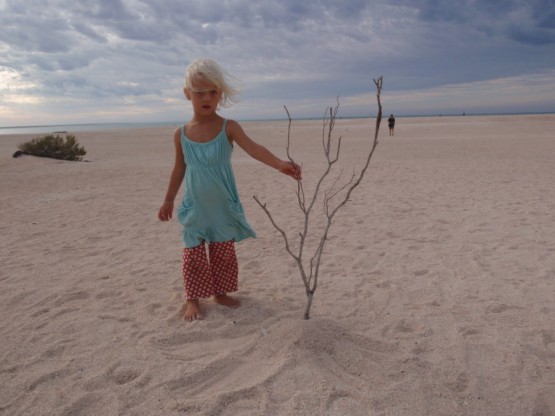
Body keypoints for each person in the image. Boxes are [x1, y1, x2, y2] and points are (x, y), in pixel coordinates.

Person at [158, 58, 301, 322]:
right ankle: (193, 299)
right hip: (196, 207)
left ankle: (220, 293)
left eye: (213, 92)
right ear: (187, 93)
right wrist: (168, 200)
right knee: (193, 255)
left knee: (223, 253)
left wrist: (279, 164)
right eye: (200, 92)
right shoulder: (181, 133)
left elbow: (255, 149)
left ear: (220, 94)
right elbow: (179, 168)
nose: (207, 98)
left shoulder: (229, 127)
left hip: (223, 205)